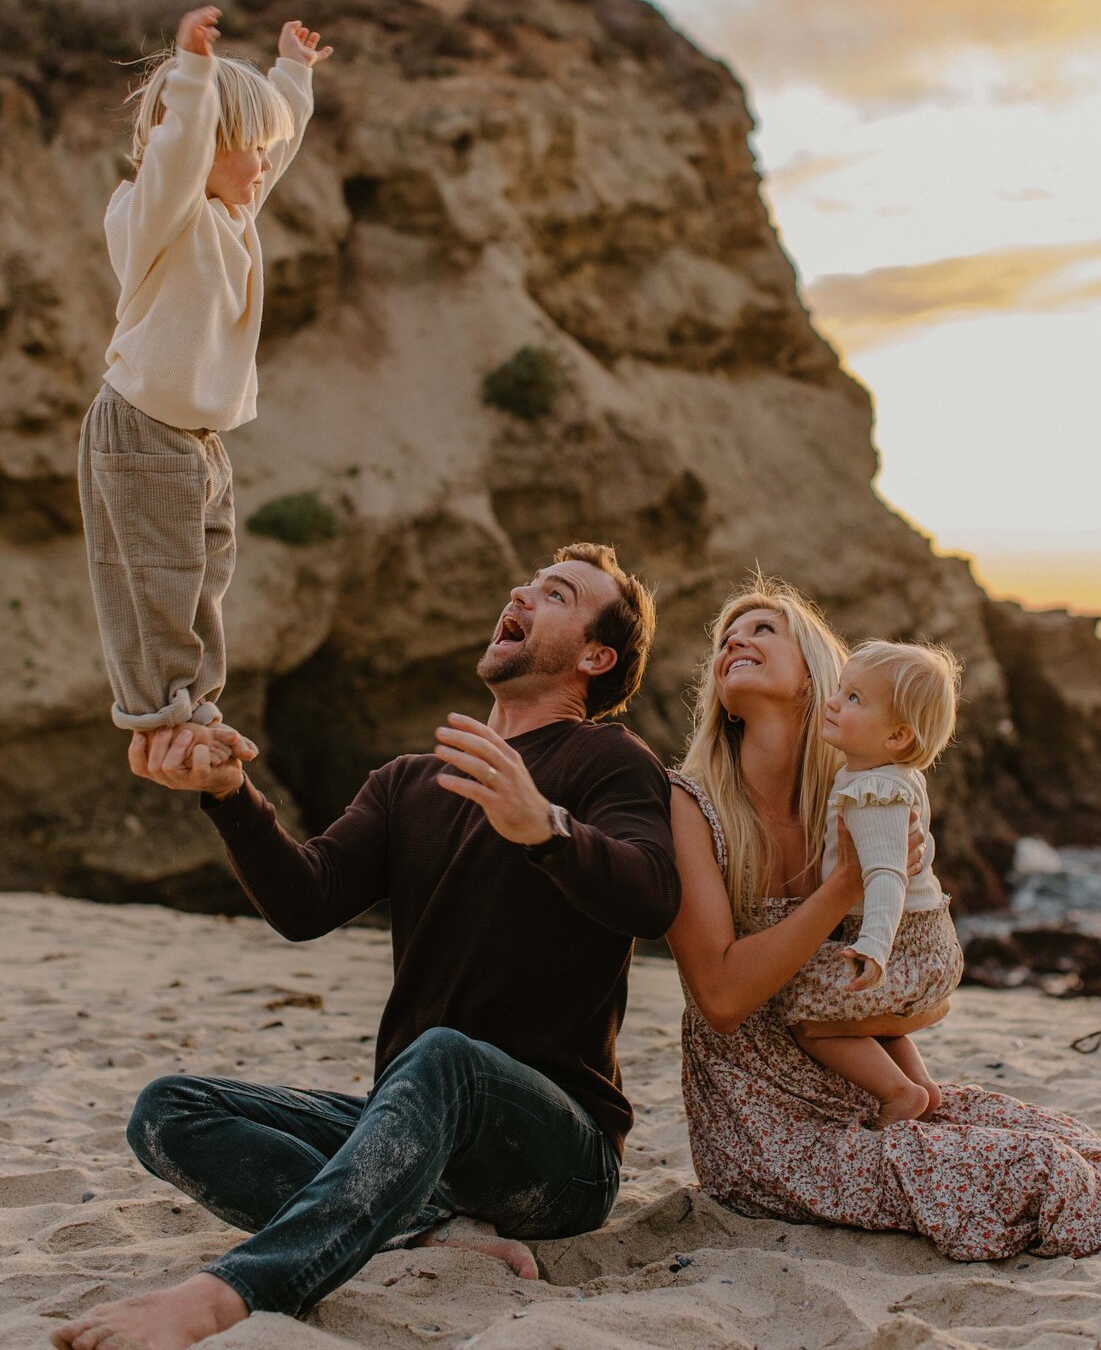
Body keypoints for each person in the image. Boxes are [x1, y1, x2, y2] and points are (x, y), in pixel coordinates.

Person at [52, 543, 680, 1350]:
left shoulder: (608, 760)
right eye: (524, 584)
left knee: (445, 1055)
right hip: (416, 1125)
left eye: (555, 594)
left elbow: (654, 896)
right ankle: (418, 1227)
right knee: (169, 1111)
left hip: (561, 1153)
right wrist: (228, 795)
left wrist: (546, 829)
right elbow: (305, 902)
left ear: (595, 656)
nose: (522, 593)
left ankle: (227, 1296)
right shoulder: (409, 781)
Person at [667, 575, 1101, 1260]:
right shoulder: (692, 805)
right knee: (1040, 1172)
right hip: (762, 1121)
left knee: (1077, 1149)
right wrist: (846, 889)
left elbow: (917, 990)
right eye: (726, 637)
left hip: (858, 1090)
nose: (736, 638)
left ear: (814, 680)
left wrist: (902, 1017)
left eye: (764, 629)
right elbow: (720, 999)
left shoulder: (856, 795)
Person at [77, 5, 332, 763]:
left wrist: (293, 74)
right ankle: (160, 716)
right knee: (156, 582)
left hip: (197, 437)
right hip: (142, 423)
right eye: (247, 147)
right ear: (197, 148)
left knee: (205, 575)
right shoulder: (157, 215)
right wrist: (192, 74)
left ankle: (195, 706)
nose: (262, 164)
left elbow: (272, 154)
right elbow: (180, 153)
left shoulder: (231, 215)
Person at [778, 638, 964, 1126]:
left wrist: (874, 946)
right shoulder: (895, 775)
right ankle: (922, 1087)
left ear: (898, 736)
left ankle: (897, 1092)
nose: (834, 701)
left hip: (900, 945)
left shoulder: (871, 791)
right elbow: (920, 850)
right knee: (859, 1013)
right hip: (927, 938)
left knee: (808, 1013)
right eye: (840, 690)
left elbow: (885, 876)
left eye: (855, 698)